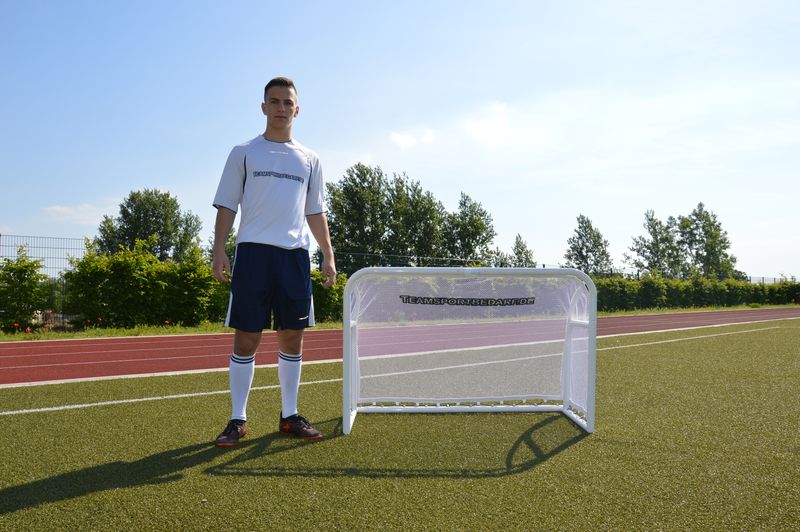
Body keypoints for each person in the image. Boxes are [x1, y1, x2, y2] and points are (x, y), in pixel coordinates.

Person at [211, 76, 336, 446]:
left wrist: (327, 254)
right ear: (263, 107)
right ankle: (237, 419)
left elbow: (315, 211)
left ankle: (289, 415)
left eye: (287, 102)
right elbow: (226, 205)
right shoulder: (244, 152)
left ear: (297, 109)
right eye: (274, 101)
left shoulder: (310, 159)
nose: (281, 108)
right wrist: (220, 250)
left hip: (294, 257)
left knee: (292, 337)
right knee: (246, 338)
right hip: (253, 254)